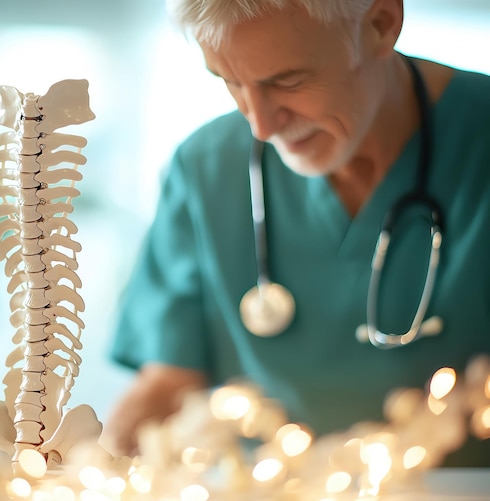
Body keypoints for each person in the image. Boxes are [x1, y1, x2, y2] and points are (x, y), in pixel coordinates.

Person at [104, 0, 490, 466]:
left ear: (381, 23)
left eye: (287, 81)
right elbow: (168, 384)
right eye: (229, 81)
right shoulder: (206, 167)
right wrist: (93, 464)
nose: (261, 124)